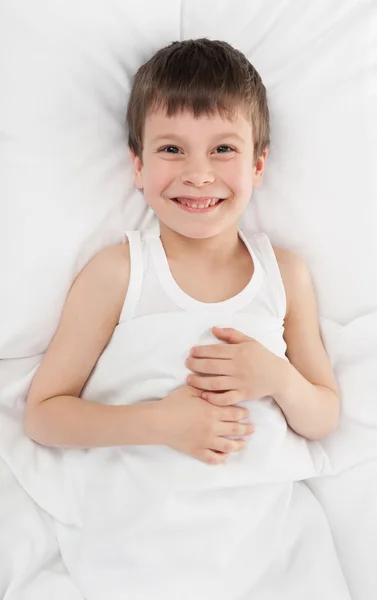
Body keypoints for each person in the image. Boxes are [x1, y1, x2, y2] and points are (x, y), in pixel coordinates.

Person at [23, 39, 349, 598]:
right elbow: (45, 417)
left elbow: (322, 417)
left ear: (258, 164)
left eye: (223, 148)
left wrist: (275, 376)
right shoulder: (119, 272)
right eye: (172, 150)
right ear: (138, 166)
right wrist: (161, 423)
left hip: (264, 551)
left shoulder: (284, 274)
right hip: (142, 546)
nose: (199, 175)